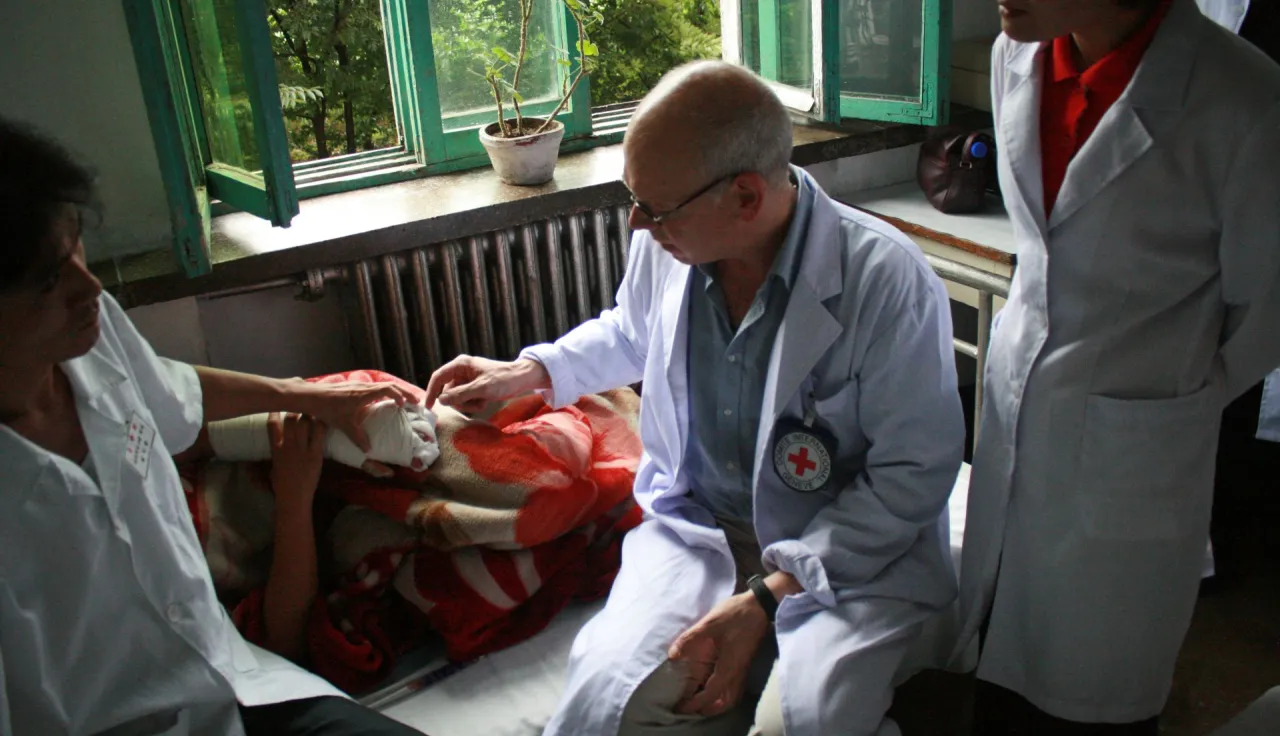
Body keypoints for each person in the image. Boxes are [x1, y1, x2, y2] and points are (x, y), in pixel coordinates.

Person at [424, 61, 965, 736]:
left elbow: (912, 479)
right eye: (632, 200)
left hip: (844, 551)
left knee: (807, 723)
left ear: (744, 198)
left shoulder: (886, 282)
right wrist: (528, 373)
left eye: (653, 207)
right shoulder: (673, 242)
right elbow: (632, 328)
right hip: (701, 529)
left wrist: (765, 599)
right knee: (601, 708)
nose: (635, 225)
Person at [0, 117, 426, 735]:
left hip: (235, 685)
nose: (89, 287)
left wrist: (311, 398)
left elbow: (177, 399)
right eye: (48, 278)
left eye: (76, 250)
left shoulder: (89, 338)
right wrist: (293, 495)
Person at [956, 0, 1280, 733]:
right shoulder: (1022, 55)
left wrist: (1166, 392)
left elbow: (1265, 314)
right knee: (998, 669)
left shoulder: (1243, 100)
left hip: (1138, 446)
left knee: (1089, 699)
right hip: (1018, 417)